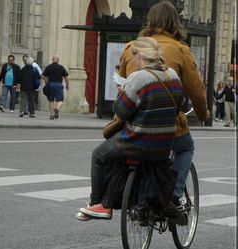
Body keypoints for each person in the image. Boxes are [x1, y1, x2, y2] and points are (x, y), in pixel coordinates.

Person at [76, 37, 184, 221]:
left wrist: (122, 93)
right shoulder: (173, 76)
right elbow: (179, 103)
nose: (133, 61)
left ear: (139, 56)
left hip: (138, 142)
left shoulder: (138, 78)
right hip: (164, 145)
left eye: (134, 57)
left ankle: (98, 204)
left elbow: (121, 111)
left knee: (98, 155)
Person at [117, 0, 210, 212]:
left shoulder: (132, 47)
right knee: (186, 147)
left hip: (134, 125)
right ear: (174, 23)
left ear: (149, 20)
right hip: (167, 124)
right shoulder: (180, 50)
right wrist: (204, 114)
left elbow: (122, 84)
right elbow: (196, 91)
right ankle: (174, 196)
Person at [42, 54, 69, 120]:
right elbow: (66, 77)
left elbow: (43, 76)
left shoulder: (49, 67)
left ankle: (52, 115)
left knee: (51, 100)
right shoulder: (61, 67)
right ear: (58, 60)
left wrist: (46, 83)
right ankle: (57, 108)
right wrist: (67, 84)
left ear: (52, 59)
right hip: (59, 85)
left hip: (51, 85)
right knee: (60, 100)